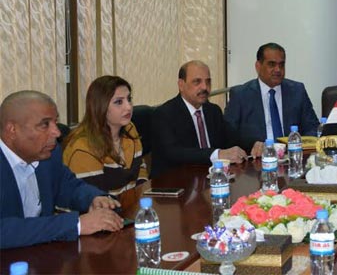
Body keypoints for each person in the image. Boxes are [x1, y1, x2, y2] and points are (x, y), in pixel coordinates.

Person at [0, 91, 123, 249]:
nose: (57, 132)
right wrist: (76, 224)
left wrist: (93, 198)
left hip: (39, 252)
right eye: (45, 124)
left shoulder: (49, 153)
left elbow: (67, 186)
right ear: (12, 130)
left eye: (55, 122)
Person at [150, 61, 247, 178]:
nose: (205, 87)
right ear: (181, 85)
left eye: (208, 81)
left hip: (209, 179)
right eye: (197, 82)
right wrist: (217, 154)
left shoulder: (213, 111)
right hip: (174, 181)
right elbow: (174, 153)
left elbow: (233, 139)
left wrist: (254, 145)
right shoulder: (164, 114)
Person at [63, 76, 148, 209]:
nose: (128, 107)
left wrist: (141, 196)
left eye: (129, 99)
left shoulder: (129, 129)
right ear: (100, 106)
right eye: (119, 102)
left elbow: (140, 167)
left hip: (127, 207)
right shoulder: (83, 147)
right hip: (96, 215)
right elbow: (96, 201)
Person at [224, 43, 319, 154]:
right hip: (257, 159)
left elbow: (313, 128)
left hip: (292, 157)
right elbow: (228, 137)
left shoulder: (297, 91)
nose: (278, 69)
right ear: (258, 66)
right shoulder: (240, 95)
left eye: (281, 65)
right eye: (272, 64)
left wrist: (300, 147)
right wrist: (251, 146)